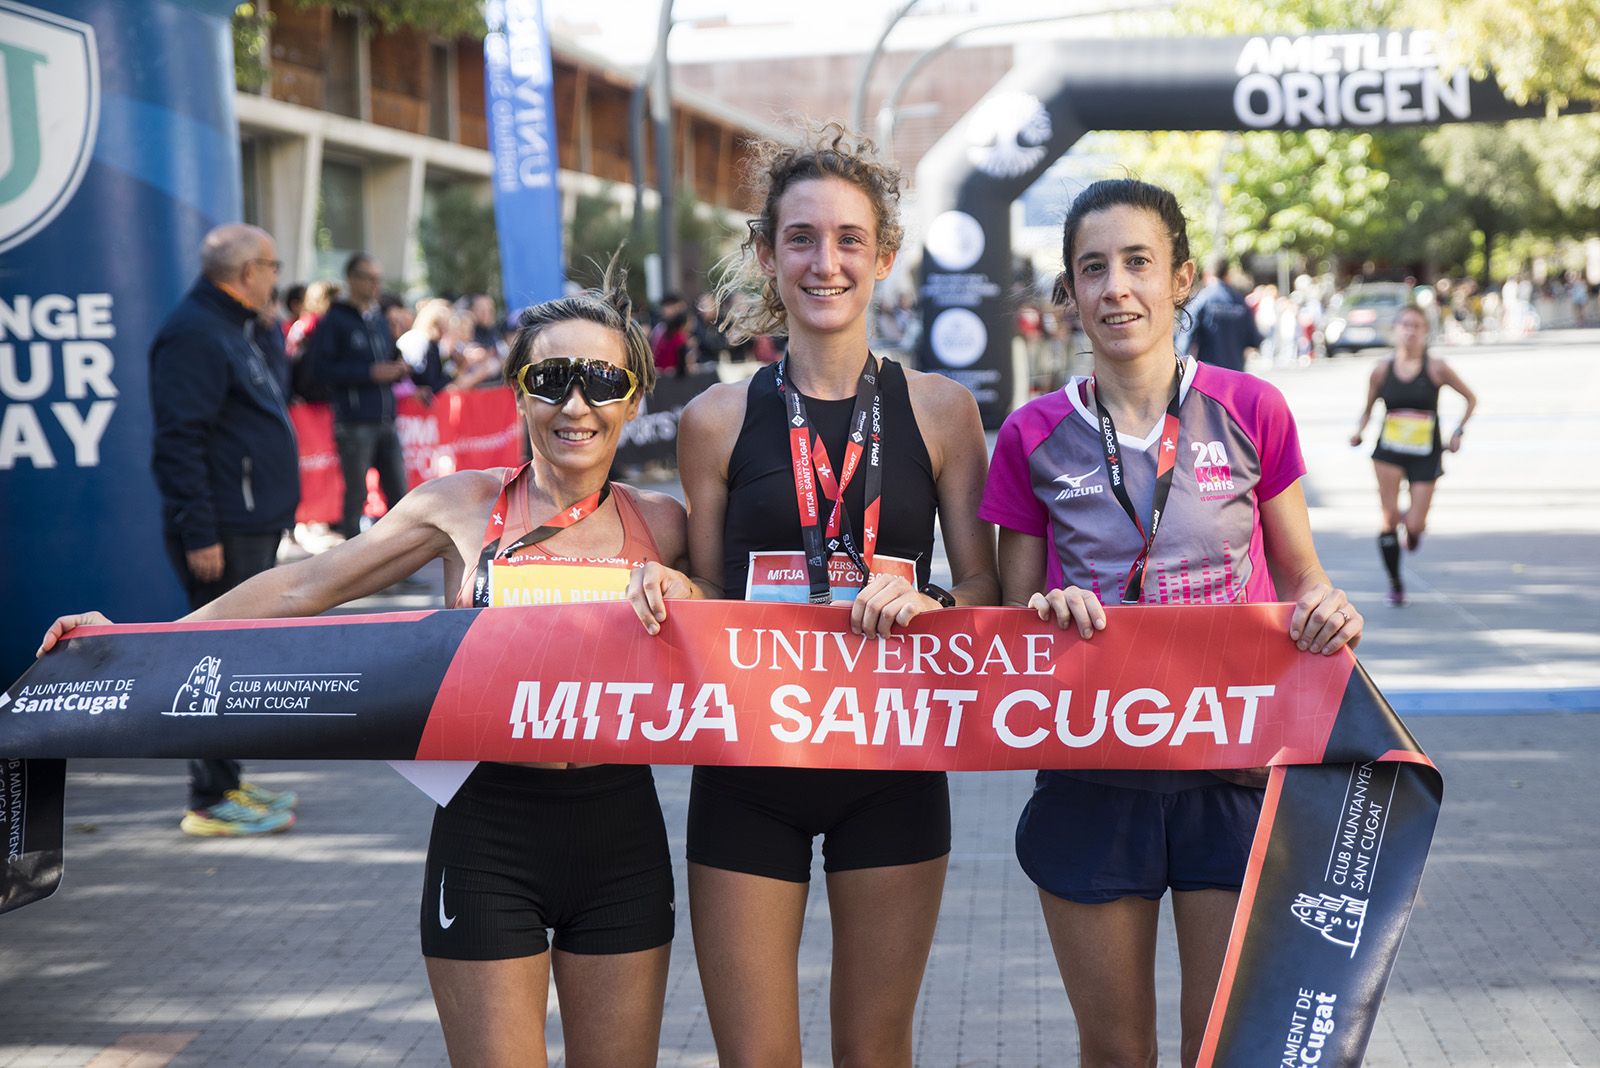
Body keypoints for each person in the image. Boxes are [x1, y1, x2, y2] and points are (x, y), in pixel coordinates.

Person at [39, 270, 687, 1067]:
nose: (575, 405)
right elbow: (307, 584)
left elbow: (753, 631)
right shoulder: (460, 505)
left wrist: (688, 592)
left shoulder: (666, 524)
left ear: (633, 399)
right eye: (551, 378)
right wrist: (141, 645)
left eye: (603, 382)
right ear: (519, 392)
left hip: (622, 835)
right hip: (488, 833)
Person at [627, 123, 998, 1068]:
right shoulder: (715, 419)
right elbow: (713, 589)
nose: (824, 263)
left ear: (885, 255)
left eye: (848, 240)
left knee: (874, 1050)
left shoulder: (943, 410)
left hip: (893, 766)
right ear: (766, 253)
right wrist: (674, 585)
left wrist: (933, 606)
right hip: (748, 769)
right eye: (800, 239)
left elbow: (984, 588)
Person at [979, 178, 1363, 1068]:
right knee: (1116, 1052)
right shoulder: (1032, 434)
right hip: (1093, 771)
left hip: (1234, 770)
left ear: (1181, 278)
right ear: (1071, 292)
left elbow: (1305, 580)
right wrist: (1046, 613)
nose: (1116, 287)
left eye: (1138, 263)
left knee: (1220, 1047)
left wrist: (1327, 608)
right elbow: (1008, 625)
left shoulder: (1251, 408)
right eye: (1093, 268)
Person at [148, 223, 302, 836]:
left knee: (234, 660)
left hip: (246, 522)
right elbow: (178, 441)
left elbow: (269, 403)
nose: (276, 278)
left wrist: (269, 333)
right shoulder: (194, 333)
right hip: (224, 530)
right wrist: (200, 531)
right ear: (247, 273)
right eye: (272, 266)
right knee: (213, 661)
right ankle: (209, 799)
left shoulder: (234, 328)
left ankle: (227, 780)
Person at [1350, 304, 1477, 606]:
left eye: (1416, 326)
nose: (1410, 331)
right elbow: (1367, 410)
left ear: (1425, 331)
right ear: (1395, 330)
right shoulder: (1381, 371)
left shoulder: (1436, 368)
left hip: (1425, 454)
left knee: (1416, 525)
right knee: (1388, 517)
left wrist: (1457, 432)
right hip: (1389, 453)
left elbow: (1471, 399)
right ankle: (1395, 584)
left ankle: (1413, 529)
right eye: (1405, 325)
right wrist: (1359, 432)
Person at [307, 252, 411, 540]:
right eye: (369, 278)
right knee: (357, 494)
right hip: (355, 421)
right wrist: (368, 373)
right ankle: (352, 558)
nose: (375, 284)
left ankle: (401, 554)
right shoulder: (335, 320)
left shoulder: (378, 318)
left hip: (385, 417)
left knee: (399, 493)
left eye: (378, 278)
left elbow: (386, 356)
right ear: (352, 279)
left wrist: (397, 367)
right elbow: (319, 370)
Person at [1178, 257, 1262, 372]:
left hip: (1209, 372)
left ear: (1207, 274)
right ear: (1227, 274)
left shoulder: (1201, 300)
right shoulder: (1239, 301)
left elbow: (1185, 338)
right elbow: (1254, 339)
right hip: (1235, 372)